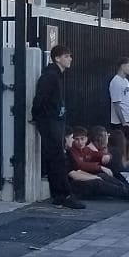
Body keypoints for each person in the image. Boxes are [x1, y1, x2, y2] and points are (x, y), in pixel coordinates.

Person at [31, 45, 83, 209]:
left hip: (54, 121)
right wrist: (38, 116)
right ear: (57, 58)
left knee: (56, 158)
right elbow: (40, 99)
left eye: (70, 56)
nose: (70, 59)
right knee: (57, 158)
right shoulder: (50, 76)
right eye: (66, 56)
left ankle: (60, 194)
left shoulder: (56, 76)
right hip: (50, 122)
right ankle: (62, 194)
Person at [66, 128, 129, 203]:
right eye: (76, 139)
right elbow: (79, 166)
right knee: (98, 182)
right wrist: (98, 169)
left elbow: (97, 154)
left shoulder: (85, 150)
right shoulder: (71, 152)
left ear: (86, 138)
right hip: (75, 185)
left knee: (102, 176)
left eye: (82, 139)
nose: (79, 142)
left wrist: (107, 156)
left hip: (81, 177)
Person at [108, 57, 129, 160]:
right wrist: (123, 122)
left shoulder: (126, 81)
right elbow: (116, 104)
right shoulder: (116, 82)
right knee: (121, 146)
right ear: (122, 66)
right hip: (121, 122)